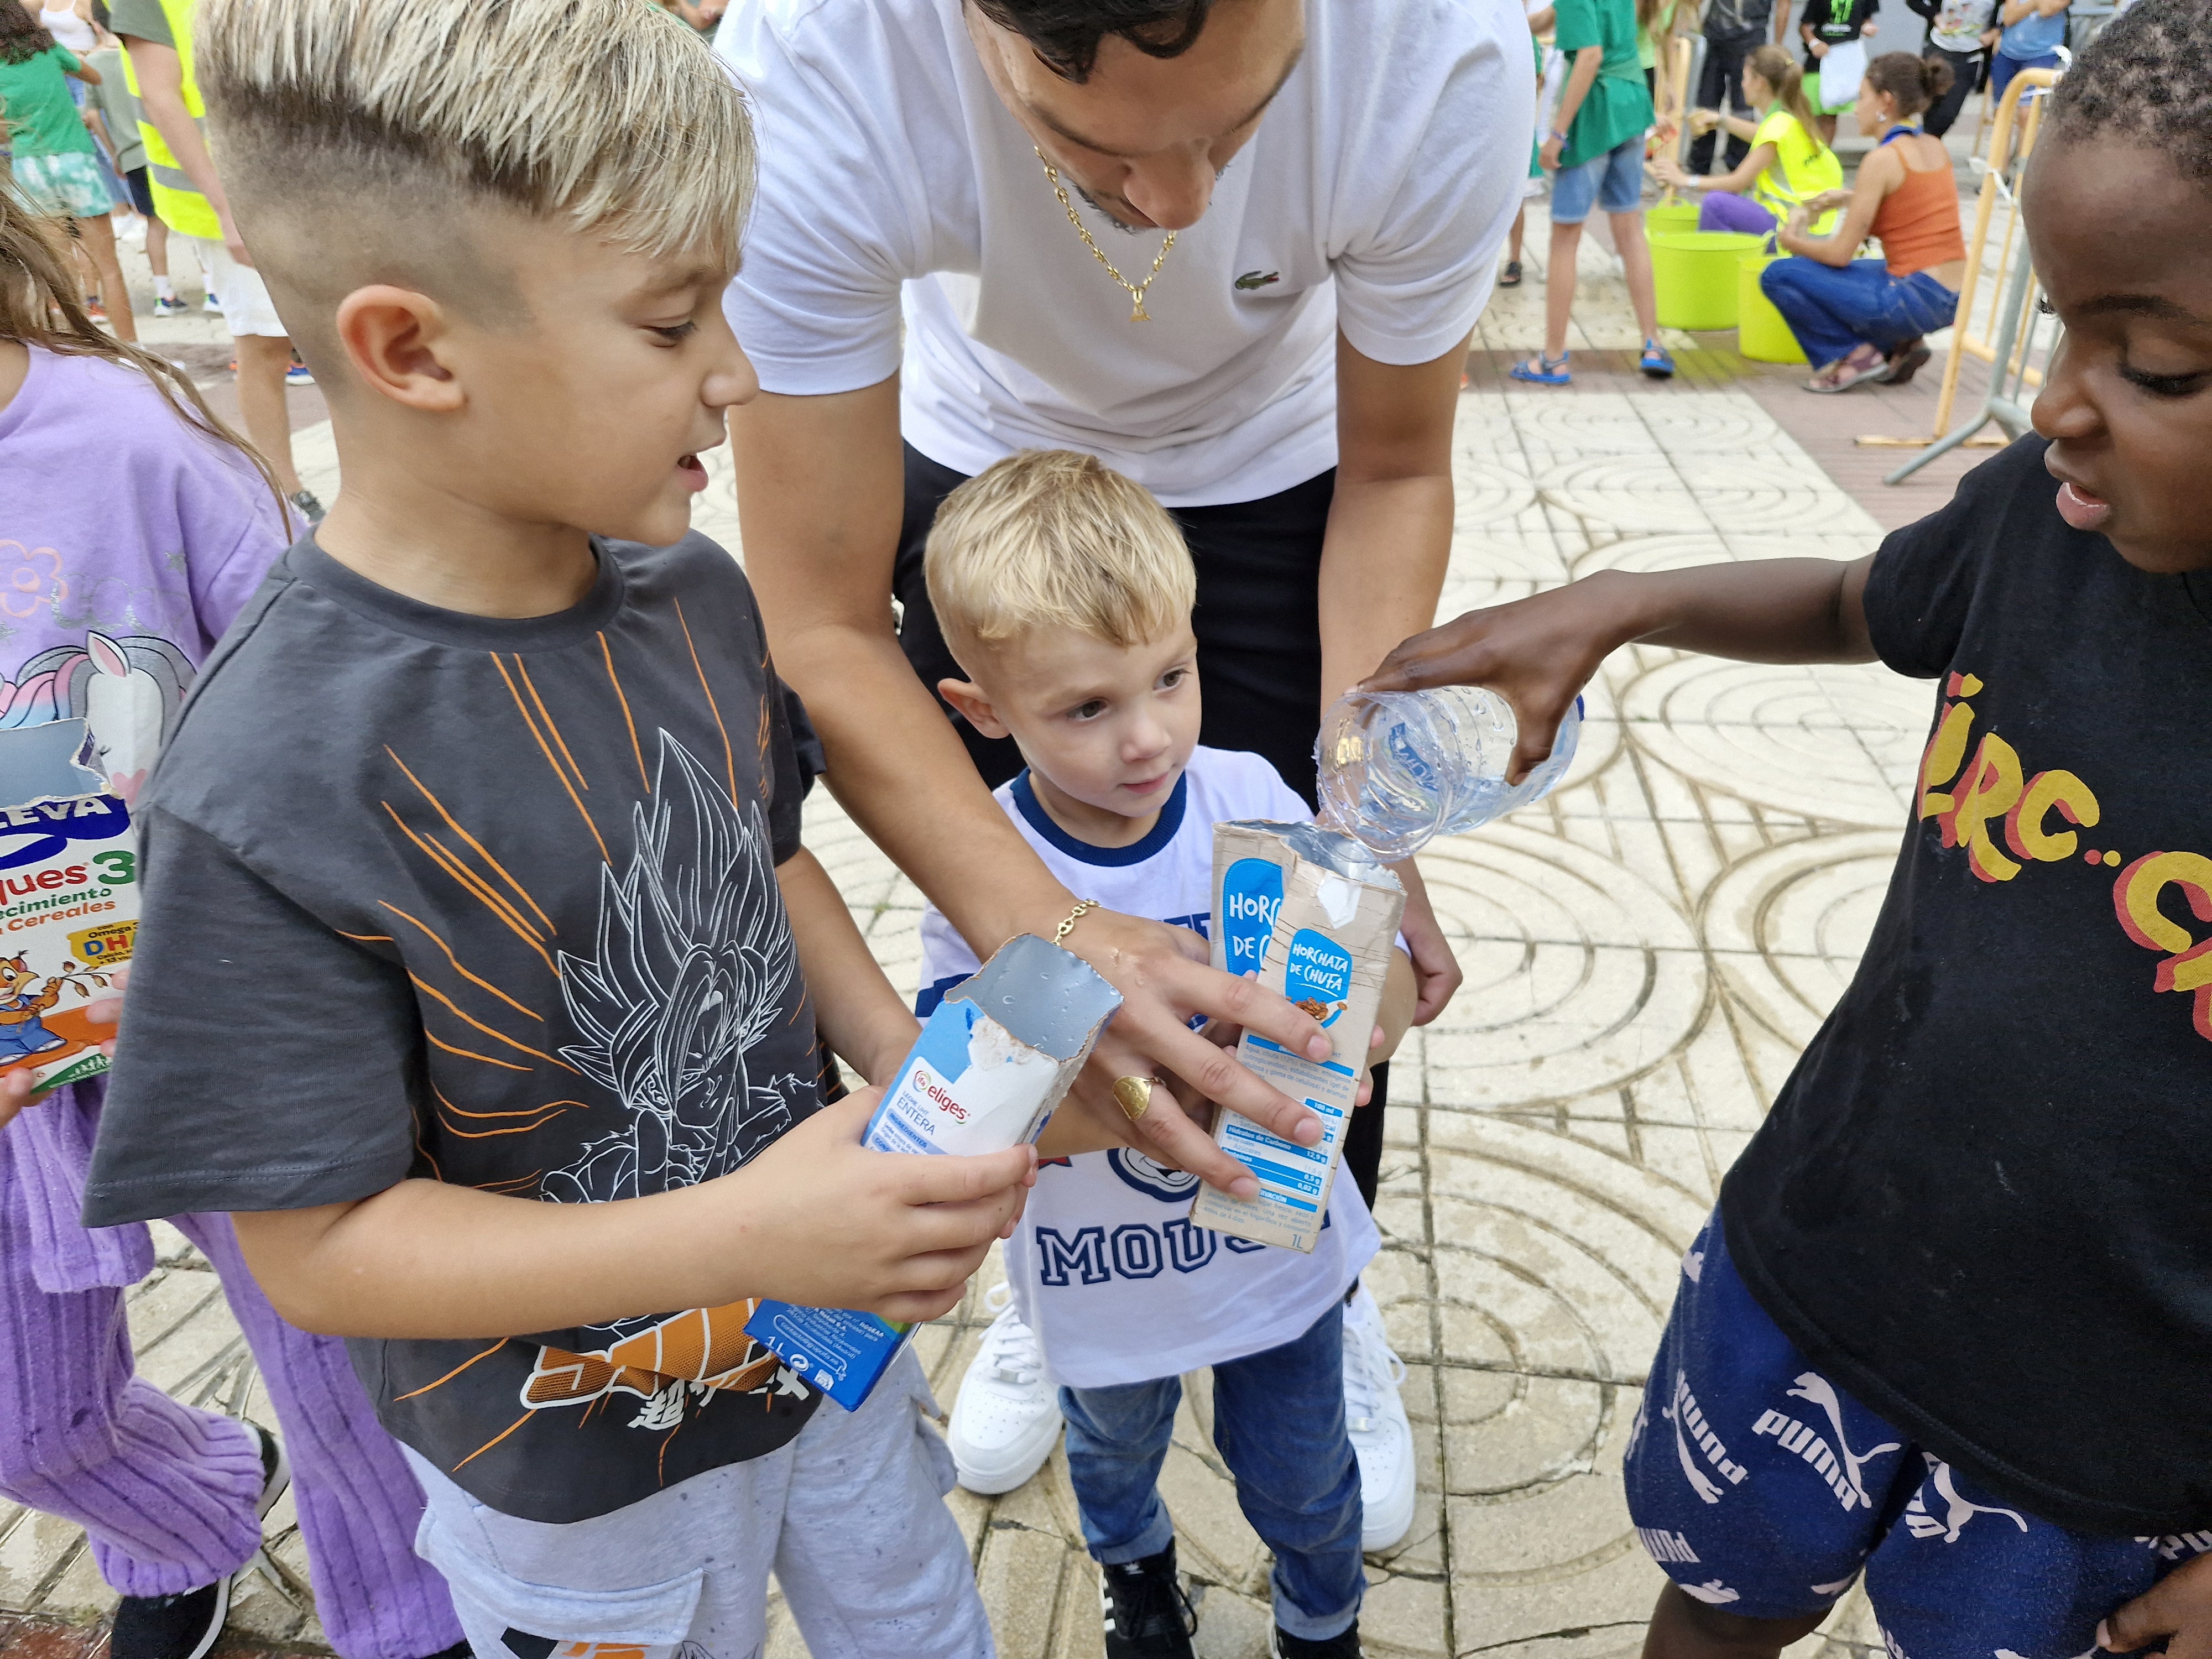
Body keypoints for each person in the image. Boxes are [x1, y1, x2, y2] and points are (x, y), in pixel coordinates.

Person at [80, 1, 1036, 1656]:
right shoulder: (265, 777)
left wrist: (908, 1075)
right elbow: (319, 1251)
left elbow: (767, 856)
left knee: (918, 1616)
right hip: (580, 1472)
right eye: (673, 322)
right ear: (412, 349)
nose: (736, 372)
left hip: (827, 1360)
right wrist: (746, 1230)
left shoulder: (695, 593)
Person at [1359, 6, 2212, 1653]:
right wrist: (1615, 601)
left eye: (2154, 365)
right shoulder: (2043, 526)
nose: (2053, 408)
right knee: (1713, 1604)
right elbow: (1849, 596)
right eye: (2056, 332)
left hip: (2112, 1444)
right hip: (1827, 1259)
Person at [717, 0, 1508, 1525]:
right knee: (1029, 897)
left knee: (1308, 938)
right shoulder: (817, 68)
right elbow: (817, 621)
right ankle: (1065, 1277)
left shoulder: (1440, 50)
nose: (1184, 205)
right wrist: (1057, 925)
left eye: (1241, 124)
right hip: (979, 464)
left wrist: (1368, 837)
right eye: (1090, 147)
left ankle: (1315, 1289)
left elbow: (1401, 465)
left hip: (1286, 476)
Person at [0, 176, 468, 1659]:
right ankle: (188, 1515)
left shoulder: (131, 444)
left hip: (217, 1027)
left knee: (344, 1378)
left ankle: (421, 1625)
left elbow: (334, 682)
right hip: (14, 1068)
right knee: (24, 1421)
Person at [919, 451, 1417, 1655]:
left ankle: (1320, 1617)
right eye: (1086, 708)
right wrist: (1163, 1064)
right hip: (1100, 1266)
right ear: (981, 712)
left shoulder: (1246, 792)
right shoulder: (984, 871)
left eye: (1171, 678)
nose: (1147, 739)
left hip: (1273, 1247)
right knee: (1108, 1450)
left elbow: (1379, 990)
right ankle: (1138, 1582)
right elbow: (977, 1093)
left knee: (1302, 1475)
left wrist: (1356, 1010)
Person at [111, 0, 321, 521]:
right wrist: (228, 208)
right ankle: (285, 488)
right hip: (231, 199)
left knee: (341, 342)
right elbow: (162, 96)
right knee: (267, 344)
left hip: (314, 180)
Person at [1759, 52, 1965, 390]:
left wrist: (1791, 240)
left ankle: (1853, 356)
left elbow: (1840, 254)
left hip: (1912, 297)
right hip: (1951, 298)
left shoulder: (1881, 160)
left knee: (1780, 275)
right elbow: (1911, 204)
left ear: (1886, 101)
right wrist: (1849, 198)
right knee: (1870, 268)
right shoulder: (1933, 146)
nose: (1855, 108)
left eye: (1862, 97)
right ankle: (1902, 343)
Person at [1512, 0, 1674, 385]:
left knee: (1565, 238)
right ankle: (1652, 344)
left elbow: (1589, 57)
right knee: (1630, 230)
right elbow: (1546, 20)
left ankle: (1553, 359)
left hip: (1595, 113)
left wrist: (1557, 133)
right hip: (1633, 103)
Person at [0, 2, 135, 342]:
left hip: (30, 164)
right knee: (109, 267)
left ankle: (82, 350)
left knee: (58, 271)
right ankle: (133, 346)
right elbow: (94, 76)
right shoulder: (48, 50)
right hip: (75, 157)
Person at [1655, 42, 1844, 233]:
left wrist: (1684, 180)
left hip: (1790, 230)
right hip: (1815, 228)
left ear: (1760, 82)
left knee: (1716, 204)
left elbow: (1737, 183)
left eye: (1745, 78)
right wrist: (1720, 120)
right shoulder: (1791, 116)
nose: (1742, 85)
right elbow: (1762, 134)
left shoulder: (1776, 126)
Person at [79, 31, 182, 317]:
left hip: (131, 154)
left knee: (154, 224)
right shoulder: (147, 50)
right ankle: (213, 291)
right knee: (190, 220)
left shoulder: (94, 63)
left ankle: (164, 295)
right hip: (167, 149)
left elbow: (94, 115)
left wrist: (114, 152)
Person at [1687, 0, 1787, 176]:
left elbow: (1784, 4)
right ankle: (1699, 165)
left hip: (1750, 39)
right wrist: (1692, 20)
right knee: (1707, 103)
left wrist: (1778, 45)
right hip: (1715, 36)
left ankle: (1739, 166)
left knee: (1743, 107)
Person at [1905, 0, 1994, 135]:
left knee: (1949, 112)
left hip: (1970, 55)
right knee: (1931, 104)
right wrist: (1934, 15)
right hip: (1938, 49)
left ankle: (1925, 143)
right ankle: (1928, 146)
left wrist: (1996, 32)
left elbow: (2012, 11)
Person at [1798, 0, 1881, 140]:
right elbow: (1805, 25)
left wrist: (1867, 26)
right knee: (1807, 111)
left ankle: (1823, 154)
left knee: (1830, 115)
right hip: (1819, 60)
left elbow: (1866, 18)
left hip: (1846, 60)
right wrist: (1814, 43)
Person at [1989, 0, 2066, 107]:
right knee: (2001, 108)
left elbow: (2046, 11)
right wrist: (2035, 4)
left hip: (2042, 55)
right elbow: (2009, 19)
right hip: (2008, 53)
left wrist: (2025, 7)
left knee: (2027, 110)